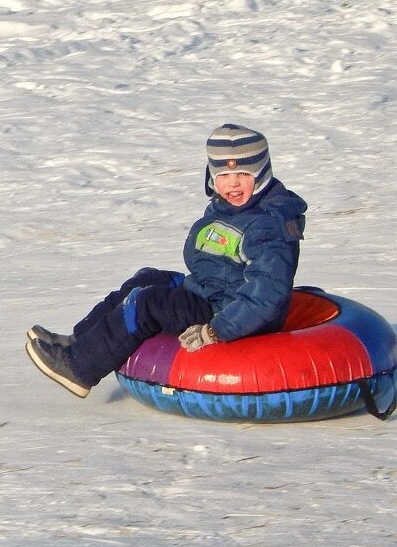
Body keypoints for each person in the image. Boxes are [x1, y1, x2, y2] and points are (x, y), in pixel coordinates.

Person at [25, 124, 307, 398]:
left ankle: (79, 368)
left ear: (262, 175)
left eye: (243, 174)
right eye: (222, 175)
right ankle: (78, 341)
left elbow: (267, 294)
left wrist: (217, 330)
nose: (232, 183)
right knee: (147, 278)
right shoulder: (231, 209)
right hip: (213, 291)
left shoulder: (270, 226)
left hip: (228, 312)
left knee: (147, 302)